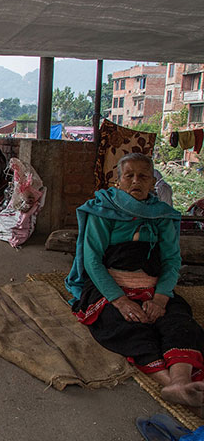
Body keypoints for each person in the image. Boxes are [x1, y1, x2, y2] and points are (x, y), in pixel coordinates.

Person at [65, 153, 204, 413]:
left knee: (179, 322)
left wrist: (161, 298)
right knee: (124, 325)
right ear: (118, 181)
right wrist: (120, 301)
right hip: (111, 286)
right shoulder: (102, 210)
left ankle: (181, 382)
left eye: (143, 176)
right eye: (129, 176)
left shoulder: (162, 215)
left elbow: (172, 261)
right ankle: (171, 383)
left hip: (152, 287)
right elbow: (93, 262)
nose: (135, 181)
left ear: (153, 182)